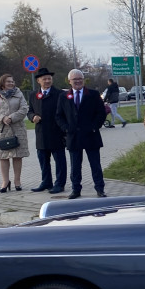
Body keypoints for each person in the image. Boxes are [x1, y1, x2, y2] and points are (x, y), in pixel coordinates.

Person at [57, 69, 106, 199]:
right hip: (73, 136)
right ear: (69, 81)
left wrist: (95, 127)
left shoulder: (93, 94)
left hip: (91, 135)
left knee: (95, 165)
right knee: (75, 166)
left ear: (83, 80)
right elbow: (59, 116)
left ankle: (100, 189)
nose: (78, 81)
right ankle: (76, 189)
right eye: (75, 79)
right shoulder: (63, 96)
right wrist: (66, 128)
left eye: (80, 79)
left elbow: (101, 113)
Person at [0, 74, 30, 193]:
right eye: (8, 81)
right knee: (3, 156)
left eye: (12, 81)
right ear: (2, 83)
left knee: (17, 155)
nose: (11, 83)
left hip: (17, 129)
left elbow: (24, 108)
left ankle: (17, 181)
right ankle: (5, 181)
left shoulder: (18, 93)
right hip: (1, 130)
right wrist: (2, 118)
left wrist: (12, 117)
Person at [27, 67, 67, 194]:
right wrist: (32, 117)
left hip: (56, 132)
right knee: (43, 160)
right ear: (38, 80)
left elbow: (64, 112)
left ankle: (60, 184)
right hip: (41, 133)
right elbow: (29, 111)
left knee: (59, 161)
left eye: (49, 78)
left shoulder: (60, 94)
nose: (47, 81)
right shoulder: (34, 95)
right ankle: (46, 182)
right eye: (44, 79)